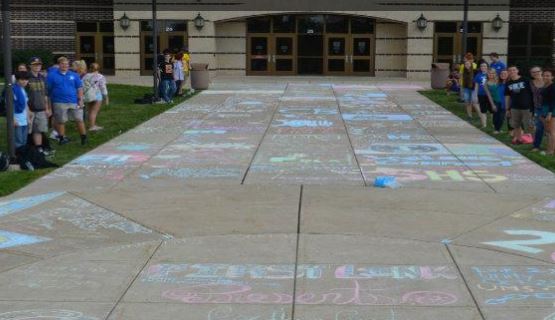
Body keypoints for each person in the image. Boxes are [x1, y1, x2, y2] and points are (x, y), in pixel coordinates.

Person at [46, 56, 87, 145]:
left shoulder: (74, 75)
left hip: (74, 101)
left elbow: (79, 88)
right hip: (59, 101)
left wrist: (80, 100)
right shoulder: (52, 75)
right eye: (63, 64)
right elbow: (48, 90)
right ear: (59, 65)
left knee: (79, 119)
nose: (65, 65)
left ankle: (83, 137)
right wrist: (49, 106)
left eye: (67, 64)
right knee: (61, 121)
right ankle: (62, 138)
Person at [26, 57, 53, 155]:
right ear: (30, 66)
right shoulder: (26, 77)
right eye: (35, 64)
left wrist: (47, 108)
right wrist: (27, 109)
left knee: (39, 130)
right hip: (29, 109)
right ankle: (24, 150)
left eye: (39, 64)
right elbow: (24, 95)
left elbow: (46, 95)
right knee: (27, 131)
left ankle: (39, 148)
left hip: (41, 108)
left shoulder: (42, 78)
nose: (37, 66)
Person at [505, 65, 535, 145]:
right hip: (514, 107)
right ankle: (519, 140)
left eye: (514, 70)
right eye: (510, 70)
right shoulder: (508, 83)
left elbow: (533, 93)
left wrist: (533, 105)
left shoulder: (525, 80)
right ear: (508, 72)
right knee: (516, 125)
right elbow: (507, 96)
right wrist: (507, 108)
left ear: (517, 71)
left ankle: (532, 141)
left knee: (528, 125)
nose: (512, 72)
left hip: (527, 106)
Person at [82, 62, 109, 131]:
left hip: (88, 95)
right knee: (94, 112)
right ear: (98, 69)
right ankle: (92, 126)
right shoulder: (101, 77)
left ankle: (90, 124)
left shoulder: (86, 76)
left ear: (90, 68)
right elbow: (103, 88)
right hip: (97, 95)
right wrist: (106, 98)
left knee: (90, 111)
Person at [12, 71, 31, 150]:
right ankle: (17, 156)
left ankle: (23, 155)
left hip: (24, 119)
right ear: (17, 80)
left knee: (24, 140)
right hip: (17, 118)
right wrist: (13, 119)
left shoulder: (23, 89)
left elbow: (26, 105)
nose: (24, 81)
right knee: (18, 140)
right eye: (22, 79)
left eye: (26, 79)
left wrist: (28, 118)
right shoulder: (13, 89)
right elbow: (10, 106)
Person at [530, 66, 545, 152]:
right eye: (533, 72)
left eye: (537, 71)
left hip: (549, 108)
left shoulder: (548, 81)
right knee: (539, 127)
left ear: (541, 71)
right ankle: (536, 145)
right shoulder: (530, 83)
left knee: (550, 129)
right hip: (537, 108)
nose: (535, 73)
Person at [474, 62, 490, 128]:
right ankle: (484, 125)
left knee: (492, 110)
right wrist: (475, 95)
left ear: (487, 67)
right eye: (481, 66)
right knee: (483, 110)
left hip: (490, 95)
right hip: (481, 94)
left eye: (484, 66)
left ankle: (494, 124)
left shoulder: (491, 74)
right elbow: (476, 86)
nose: (483, 67)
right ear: (480, 68)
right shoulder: (478, 75)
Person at [543, 69, 555, 155]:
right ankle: (549, 148)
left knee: (551, 132)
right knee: (547, 131)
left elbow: (553, 101)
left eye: (548, 75)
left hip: (551, 110)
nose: (545, 77)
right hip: (545, 109)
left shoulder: (553, 86)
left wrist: (550, 113)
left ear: (552, 77)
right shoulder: (546, 85)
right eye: (544, 75)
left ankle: (551, 151)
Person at [495, 69, 509, 134]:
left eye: (505, 74)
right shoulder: (497, 83)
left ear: (508, 75)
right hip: (497, 102)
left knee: (501, 117)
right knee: (496, 116)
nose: (503, 75)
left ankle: (498, 129)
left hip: (505, 102)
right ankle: (496, 128)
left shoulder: (509, 83)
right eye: (502, 74)